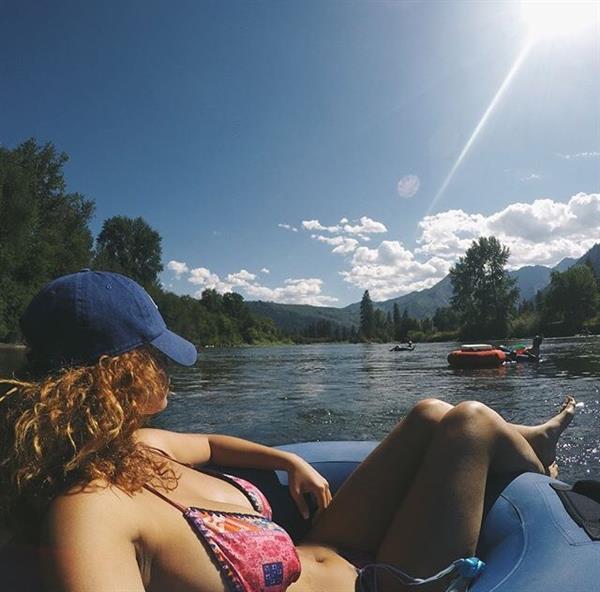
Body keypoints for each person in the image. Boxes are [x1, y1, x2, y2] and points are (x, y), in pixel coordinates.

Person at [0, 270, 576, 592]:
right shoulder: (88, 512)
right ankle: (535, 457)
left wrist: (287, 459)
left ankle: (531, 440)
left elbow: (209, 445)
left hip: (321, 550)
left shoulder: (134, 446)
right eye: (154, 353)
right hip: (378, 588)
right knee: (470, 422)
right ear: (118, 370)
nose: (167, 366)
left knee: (430, 411)